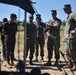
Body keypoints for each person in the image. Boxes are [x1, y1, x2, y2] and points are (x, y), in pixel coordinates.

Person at [63, 4, 76, 69]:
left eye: (65, 9)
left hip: (72, 37)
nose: (64, 10)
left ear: (69, 8)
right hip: (67, 37)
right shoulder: (67, 16)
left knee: (72, 51)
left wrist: (75, 31)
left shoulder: (73, 15)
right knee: (67, 51)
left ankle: (75, 65)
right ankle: (70, 64)